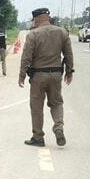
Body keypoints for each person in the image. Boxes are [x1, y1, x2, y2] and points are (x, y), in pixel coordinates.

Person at [18, 8, 74, 147]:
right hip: (56, 75)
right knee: (56, 103)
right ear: (47, 18)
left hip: (38, 76)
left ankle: (38, 137)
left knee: (36, 106)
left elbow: (26, 57)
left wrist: (22, 75)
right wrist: (69, 71)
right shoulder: (62, 32)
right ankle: (58, 127)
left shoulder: (33, 34)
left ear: (37, 19)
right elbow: (68, 54)